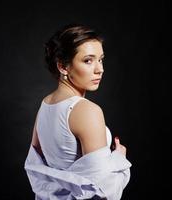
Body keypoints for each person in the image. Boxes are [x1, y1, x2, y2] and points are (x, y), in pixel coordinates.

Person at [24, 24, 132, 200]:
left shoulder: (45, 105)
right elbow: (102, 193)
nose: (100, 69)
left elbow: (38, 172)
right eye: (88, 60)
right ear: (63, 66)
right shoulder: (86, 110)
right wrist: (119, 159)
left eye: (101, 59)